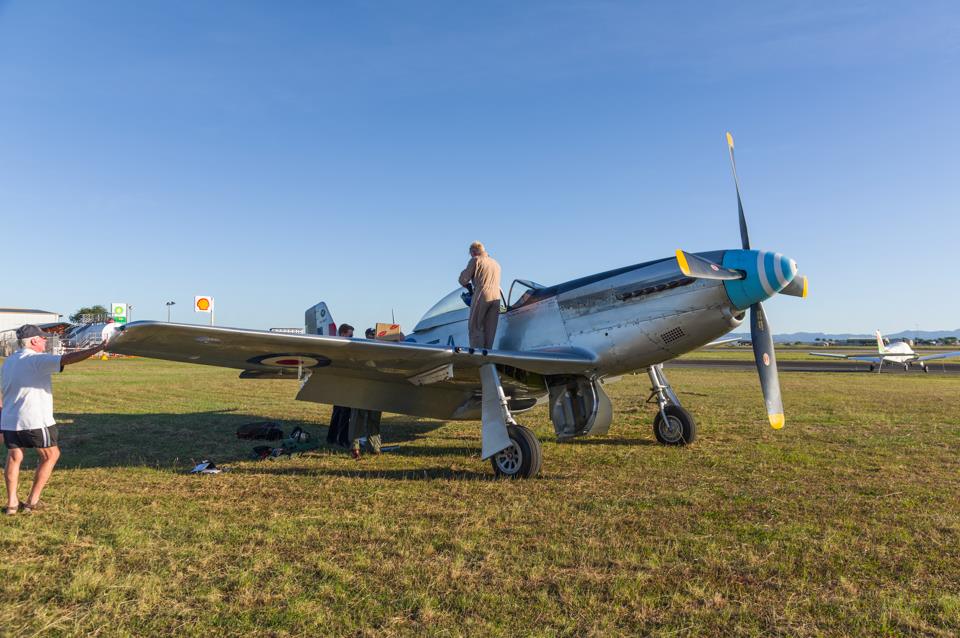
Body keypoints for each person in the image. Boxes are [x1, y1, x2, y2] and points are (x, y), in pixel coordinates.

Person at [2, 325, 105, 515]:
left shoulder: (9, 361)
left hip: (9, 420)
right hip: (34, 420)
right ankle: (32, 502)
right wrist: (97, 349)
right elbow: (67, 359)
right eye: (42, 339)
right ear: (33, 341)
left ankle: (11, 504)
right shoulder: (36, 360)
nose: (45, 341)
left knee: (14, 458)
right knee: (51, 456)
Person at [348, 328, 384, 459]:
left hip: (375, 391)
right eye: (371, 335)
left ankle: (374, 447)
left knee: (374, 420)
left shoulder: (381, 352)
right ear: (367, 336)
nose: (373, 337)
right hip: (360, 391)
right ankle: (355, 449)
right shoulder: (359, 351)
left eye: (375, 335)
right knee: (357, 420)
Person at [458, 240, 502, 349]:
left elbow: (464, 279)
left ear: (473, 251)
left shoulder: (475, 260)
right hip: (497, 296)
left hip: (482, 293)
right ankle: (488, 353)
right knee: (490, 328)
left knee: (476, 326)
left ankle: (478, 356)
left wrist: (466, 283)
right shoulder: (496, 264)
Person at [326, 323, 354, 447]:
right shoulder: (342, 347)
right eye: (350, 335)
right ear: (343, 334)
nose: (352, 337)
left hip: (338, 383)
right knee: (345, 413)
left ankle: (331, 438)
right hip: (343, 384)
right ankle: (342, 440)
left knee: (337, 412)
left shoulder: (335, 347)